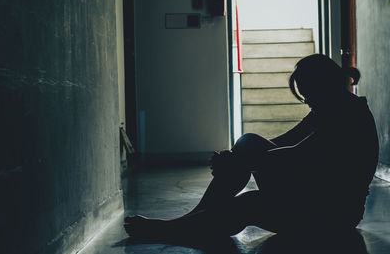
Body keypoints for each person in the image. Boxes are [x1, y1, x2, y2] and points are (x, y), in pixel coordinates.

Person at [124, 54, 379, 239]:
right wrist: (238, 157)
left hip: (333, 213)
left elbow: (297, 154)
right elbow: (284, 142)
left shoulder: (348, 114)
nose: (307, 101)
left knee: (247, 204)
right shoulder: (329, 107)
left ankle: (170, 229)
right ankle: (185, 222)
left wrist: (238, 162)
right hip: (313, 193)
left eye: (308, 94)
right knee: (247, 142)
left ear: (324, 85)